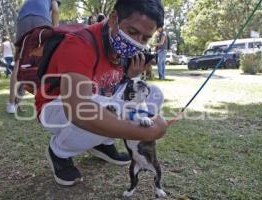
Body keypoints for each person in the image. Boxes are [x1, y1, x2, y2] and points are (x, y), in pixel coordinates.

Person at [38, 0, 167, 186]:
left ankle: (102, 142)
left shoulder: (118, 42)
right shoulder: (80, 44)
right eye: (132, 32)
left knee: (153, 94)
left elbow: (111, 85)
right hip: (56, 107)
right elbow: (79, 110)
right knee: (111, 108)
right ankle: (58, 151)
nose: (136, 42)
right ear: (114, 18)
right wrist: (143, 131)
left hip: (100, 98)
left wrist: (131, 76)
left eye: (145, 38)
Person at [6, 0, 60, 114]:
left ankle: (12, 103)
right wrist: (56, 30)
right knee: (43, 61)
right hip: (41, 20)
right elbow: (55, 10)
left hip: (22, 19)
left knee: (19, 61)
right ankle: (47, 101)